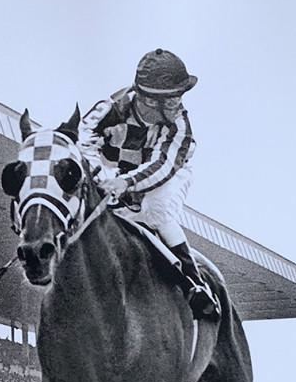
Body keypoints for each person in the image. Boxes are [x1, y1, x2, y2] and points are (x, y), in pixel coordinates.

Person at [80, 48, 221, 320]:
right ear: (147, 99)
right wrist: (102, 178)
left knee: (156, 207)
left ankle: (194, 283)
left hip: (166, 175)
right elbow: (82, 140)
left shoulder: (180, 124)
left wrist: (127, 182)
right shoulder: (108, 110)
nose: (177, 107)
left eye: (178, 99)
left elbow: (163, 166)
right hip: (113, 174)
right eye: (170, 102)